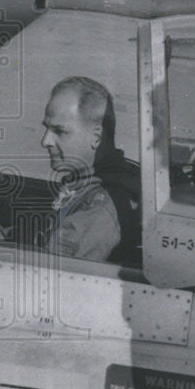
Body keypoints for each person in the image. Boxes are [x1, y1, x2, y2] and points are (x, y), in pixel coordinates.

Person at [38, 77, 140, 263]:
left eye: (59, 131)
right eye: (47, 129)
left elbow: (51, 272)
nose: (46, 141)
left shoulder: (102, 206)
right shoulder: (83, 185)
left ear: (96, 137)